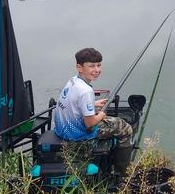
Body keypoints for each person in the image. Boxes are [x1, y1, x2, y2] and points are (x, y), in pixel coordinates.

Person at [54, 47, 134, 175]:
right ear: (79, 67)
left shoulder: (73, 81)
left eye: (99, 65)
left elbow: (73, 103)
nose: (97, 70)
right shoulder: (86, 91)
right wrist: (101, 114)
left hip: (62, 129)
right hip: (77, 134)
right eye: (91, 66)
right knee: (124, 127)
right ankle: (122, 173)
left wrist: (93, 104)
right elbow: (90, 124)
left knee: (104, 116)